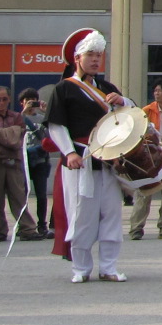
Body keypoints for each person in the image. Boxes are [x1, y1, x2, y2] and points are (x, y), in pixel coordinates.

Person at [46, 28, 134, 283]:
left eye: (99, 55)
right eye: (90, 55)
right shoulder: (64, 89)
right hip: (81, 160)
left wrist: (123, 101)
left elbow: (128, 117)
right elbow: (56, 125)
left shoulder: (108, 88)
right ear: (78, 58)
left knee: (111, 214)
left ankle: (109, 266)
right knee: (82, 215)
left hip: (110, 160)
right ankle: (81, 268)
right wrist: (69, 153)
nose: (96, 60)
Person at [0, 85, 38, 244]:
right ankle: (0, 230)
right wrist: (10, 134)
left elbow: (19, 136)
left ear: (9, 100)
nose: (1, 102)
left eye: (4, 99)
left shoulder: (17, 117)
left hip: (14, 159)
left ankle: (27, 228)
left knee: (18, 195)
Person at [131, 82, 162, 240]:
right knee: (144, 193)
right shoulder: (146, 110)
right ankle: (136, 228)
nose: (156, 93)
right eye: (155, 90)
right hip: (150, 156)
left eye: (160, 90)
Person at [19, 88, 53, 238]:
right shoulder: (18, 118)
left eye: (34, 101)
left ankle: (42, 225)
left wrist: (46, 113)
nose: (32, 104)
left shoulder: (41, 118)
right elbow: (12, 129)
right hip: (23, 161)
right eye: (28, 101)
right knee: (22, 194)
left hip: (40, 159)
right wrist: (23, 113)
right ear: (22, 103)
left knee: (41, 195)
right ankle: (24, 225)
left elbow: (52, 132)